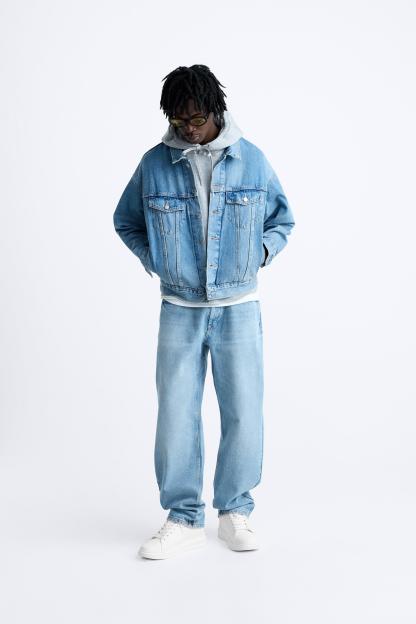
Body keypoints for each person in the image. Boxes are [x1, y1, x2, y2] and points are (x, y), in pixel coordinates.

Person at [113, 64, 295, 559]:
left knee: (244, 411)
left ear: (216, 110)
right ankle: (183, 517)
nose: (188, 128)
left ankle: (235, 511)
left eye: (196, 118)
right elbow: (126, 220)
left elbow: (282, 219)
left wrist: (259, 254)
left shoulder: (251, 159)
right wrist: (157, 260)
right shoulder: (155, 163)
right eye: (178, 120)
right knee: (176, 414)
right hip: (179, 308)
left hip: (239, 307)